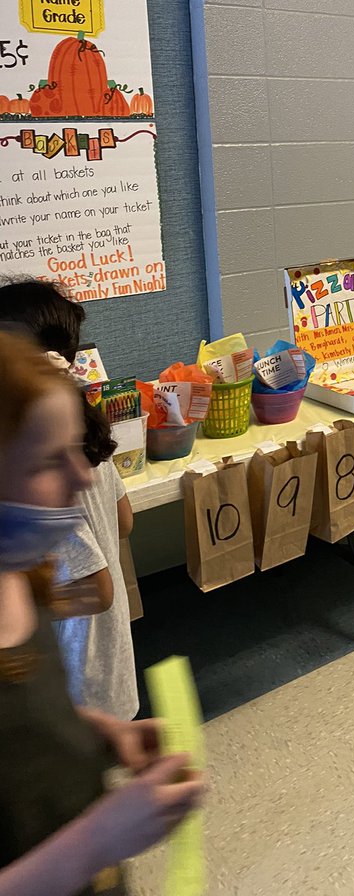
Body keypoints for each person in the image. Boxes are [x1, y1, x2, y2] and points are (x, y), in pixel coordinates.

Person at [0, 331, 203, 895]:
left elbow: (22, 717)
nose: (84, 476)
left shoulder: (19, 577)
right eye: (48, 460)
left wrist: (102, 733)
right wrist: (95, 842)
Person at [0, 279, 137, 718]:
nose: (73, 477)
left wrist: (26, 605)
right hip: (108, 664)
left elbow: (97, 591)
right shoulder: (82, 428)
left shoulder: (37, 480)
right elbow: (125, 522)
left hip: (78, 681)